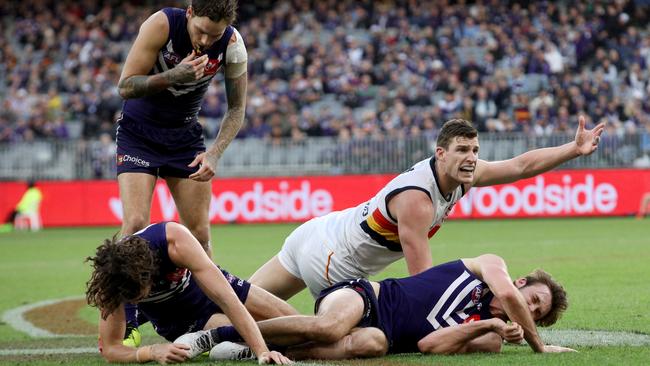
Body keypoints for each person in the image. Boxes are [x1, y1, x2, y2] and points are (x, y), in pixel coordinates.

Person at [249, 116, 605, 301]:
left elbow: (520, 166)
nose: (471, 158)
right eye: (463, 150)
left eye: (475, 150)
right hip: (334, 263)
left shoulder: (464, 174)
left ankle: (203, 332)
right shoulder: (418, 200)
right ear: (441, 154)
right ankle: (250, 346)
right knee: (350, 340)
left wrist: (572, 150)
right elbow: (422, 282)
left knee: (237, 302)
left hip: (318, 232)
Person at [116, 0, 248, 343]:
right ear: (189, 14)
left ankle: (206, 311)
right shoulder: (162, 24)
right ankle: (125, 322)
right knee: (134, 225)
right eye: (200, 30)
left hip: (185, 139)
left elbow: (236, 110)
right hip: (139, 135)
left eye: (213, 34)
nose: (205, 40)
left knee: (200, 233)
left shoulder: (232, 45)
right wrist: (172, 76)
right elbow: (125, 86)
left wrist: (215, 154)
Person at [181, 254, 574, 360]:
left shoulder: (491, 338)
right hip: (366, 294)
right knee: (332, 328)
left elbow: (428, 346)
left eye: (537, 314)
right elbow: (507, 296)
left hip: (383, 332)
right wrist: (539, 344)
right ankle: (214, 334)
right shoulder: (490, 266)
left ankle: (257, 352)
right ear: (522, 283)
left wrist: (485, 327)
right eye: (534, 300)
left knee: (371, 344)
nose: (529, 309)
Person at [85, 221, 294, 364]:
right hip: (182, 321)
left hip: (204, 288)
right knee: (286, 340)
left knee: (293, 320)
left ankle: (238, 346)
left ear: (148, 273)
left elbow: (228, 300)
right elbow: (111, 349)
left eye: (138, 294)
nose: (136, 301)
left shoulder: (173, 240)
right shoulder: (110, 282)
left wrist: (261, 351)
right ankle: (224, 342)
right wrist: (150, 351)